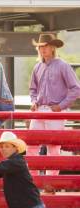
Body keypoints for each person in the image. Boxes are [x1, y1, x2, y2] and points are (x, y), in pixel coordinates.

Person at [28, 33, 80, 176]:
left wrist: (61, 106)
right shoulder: (37, 67)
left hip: (55, 111)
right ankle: (33, 180)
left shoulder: (63, 66)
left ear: (52, 48)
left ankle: (51, 183)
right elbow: (32, 89)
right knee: (31, 145)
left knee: (54, 147)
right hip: (39, 110)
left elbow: (76, 89)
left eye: (46, 46)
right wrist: (33, 102)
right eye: (40, 47)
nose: (43, 49)